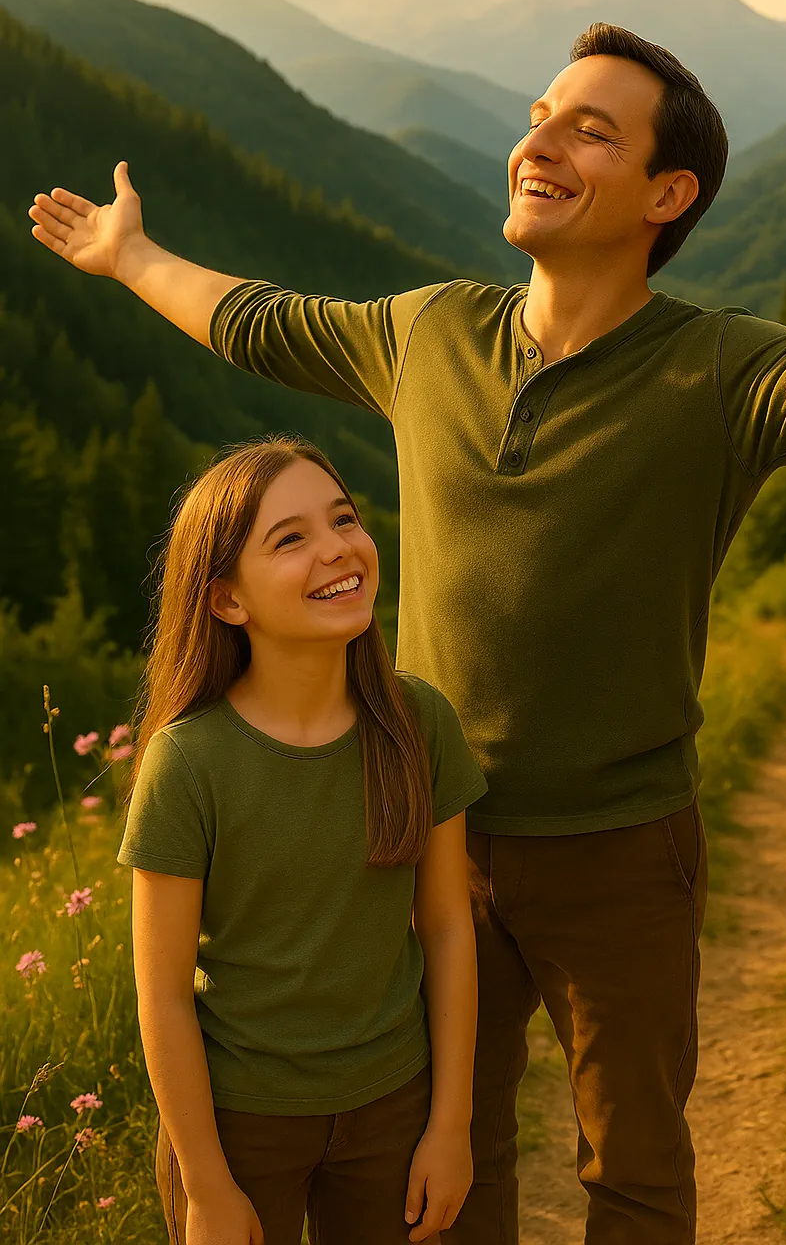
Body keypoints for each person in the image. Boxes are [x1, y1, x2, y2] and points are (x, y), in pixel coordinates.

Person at [31, 21, 786, 1244]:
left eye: (589, 129)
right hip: (421, 830)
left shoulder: (714, 371)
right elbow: (260, 318)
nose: (538, 141)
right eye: (541, 113)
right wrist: (133, 261)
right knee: (446, 1164)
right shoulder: (431, 330)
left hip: (622, 845)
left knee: (636, 1164)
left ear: (668, 195)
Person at [114, 435, 487, 1245]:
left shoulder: (418, 722)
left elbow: (450, 928)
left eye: (343, 519)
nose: (338, 550)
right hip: (239, 1128)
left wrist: (451, 1125)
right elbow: (165, 995)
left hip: (395, 1106)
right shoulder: (188, 762)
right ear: (226, 601)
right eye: (291, 539)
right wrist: (207, 1187)